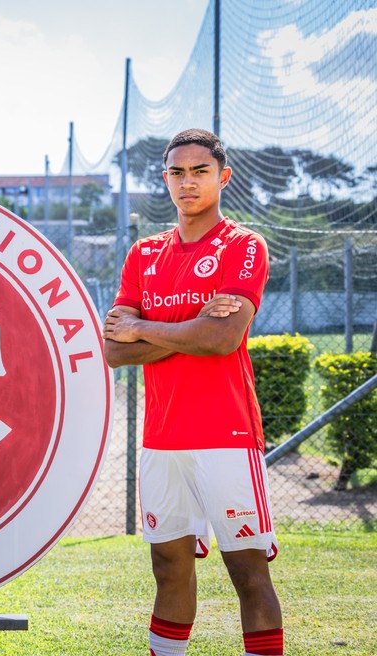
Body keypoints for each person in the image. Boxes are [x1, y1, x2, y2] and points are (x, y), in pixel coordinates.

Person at [103, 128, 284, 656]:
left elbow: (222, 337)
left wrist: (147, 328)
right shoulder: (144, 254)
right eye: (176, 172)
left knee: (247, 572)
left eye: (199, 171)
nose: (187, 182)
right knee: (168, 568)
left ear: (222, 177)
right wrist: (190, 330)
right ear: (165, 180)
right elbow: (115, 352)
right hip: (162, 438)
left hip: (226, 434)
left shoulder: (244, 246)